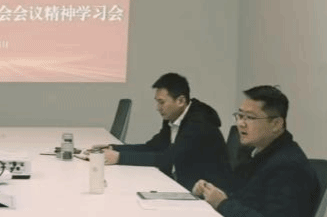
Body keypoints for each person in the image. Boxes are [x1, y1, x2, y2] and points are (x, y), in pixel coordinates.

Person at [193, 86, 319, 217]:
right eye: (240, 116)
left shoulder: (288, 167)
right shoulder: (258, 153)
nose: (240, 123)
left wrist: (223, 203)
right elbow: (245, 198)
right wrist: (211, 192)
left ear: (276, 124)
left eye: (250, 118)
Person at [95, 73, 228, 187]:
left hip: (204, 193)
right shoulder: (173, 117)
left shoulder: (199, 123)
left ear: (181, 101)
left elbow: (167, 159)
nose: (158, 108)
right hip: (183, 183)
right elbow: (153, 147)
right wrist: (114, 148)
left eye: (162, 102)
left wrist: (119, 157)